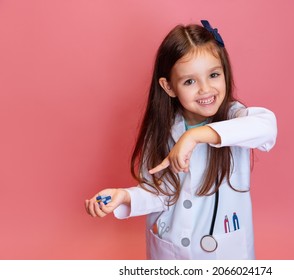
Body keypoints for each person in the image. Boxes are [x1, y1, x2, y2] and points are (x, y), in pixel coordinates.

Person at [85, 20, 277, 260]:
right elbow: (161, 193)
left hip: (224, 256)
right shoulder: (161, 130)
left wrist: (194, 135)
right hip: (171, 253)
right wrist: (125, 196)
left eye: (214, 75)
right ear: (169, 86)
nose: (205, 89)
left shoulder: (235, 117)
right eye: (190, 81)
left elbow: (268, 127)